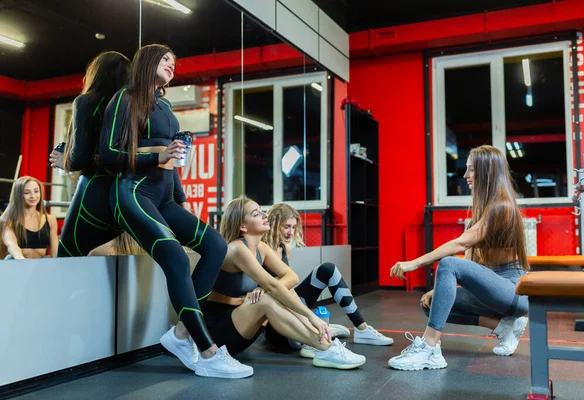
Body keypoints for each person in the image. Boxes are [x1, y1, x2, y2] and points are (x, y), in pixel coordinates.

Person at [99, 44, 250, 379]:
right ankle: (208, 351)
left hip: (165, 196)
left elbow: (174, 158)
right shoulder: (124, 99)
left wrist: (181, 197)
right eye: (165, 59)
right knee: (177, 259)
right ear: (148, 61)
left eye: (174, 62)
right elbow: (108, 155)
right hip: (133, 192)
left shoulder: (165, 105)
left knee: (214, 245)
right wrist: (156, 157)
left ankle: (182, 334)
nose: (172, 65)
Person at [387, 145, 529, 371]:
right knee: (431, 304)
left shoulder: (502, 207)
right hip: (493, 291)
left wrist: (414, 263)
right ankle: (502, 327)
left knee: (449, 262)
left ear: (486, 172)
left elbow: (460, 244)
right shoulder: (483, 209)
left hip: (514, 292)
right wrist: (442, 288)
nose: (465, 176)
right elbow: (469, 257)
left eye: (471, 170)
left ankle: (430, 348)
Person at [202, 195, 366, 370]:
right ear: (243, 226)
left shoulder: (261, 249)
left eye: (262, 211)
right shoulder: (236, 249)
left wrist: (267, 290)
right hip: (218, 334)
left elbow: (290, 277)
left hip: (242, 328)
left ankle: (317, 340)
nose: (265, 215)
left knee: (276, 291)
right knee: (269, 294)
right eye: (256, 214)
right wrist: (313, 317)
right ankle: (325, 348)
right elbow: (272, 286)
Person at [262, 202, 393, 356]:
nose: (291, 232)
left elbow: (289, 290)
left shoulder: (285, 248)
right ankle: (320, 330)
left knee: (327, 269)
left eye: (293, 227)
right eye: (286, 227)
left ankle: (361, 328)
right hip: (273, 321)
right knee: (296, 341)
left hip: (290, 308)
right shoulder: (260, 249)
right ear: (274, 224)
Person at [49, 51, 132, 257]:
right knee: (115, 264)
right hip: (125, 190)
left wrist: (65, 161)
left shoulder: (86, 102)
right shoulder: (131, 105)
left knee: (69, 259)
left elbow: (80, 158)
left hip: (94, 190)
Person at [0, 177, 58, 259]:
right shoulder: (7, 220)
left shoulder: (50, 219)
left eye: (36, 191)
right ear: (18, 195)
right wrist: (22, 263)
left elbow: (55, 251)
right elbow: (11, 245)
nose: (33, 196)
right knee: (9, 257)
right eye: (27, 193)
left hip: (40, 264)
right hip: (17, 264)